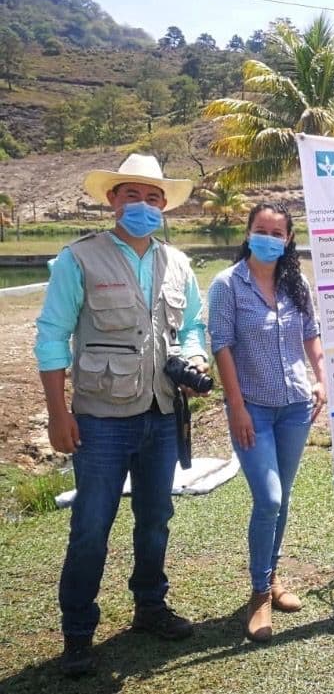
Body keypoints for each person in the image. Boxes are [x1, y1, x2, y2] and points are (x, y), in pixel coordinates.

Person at [34, 154, 207, 677]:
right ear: (112, 200)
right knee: (91, 526)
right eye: (134, 195)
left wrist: (194, 357)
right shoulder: (79, 259)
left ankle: (150, 607)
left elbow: (194, 325)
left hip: (160, 414)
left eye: (154, 198)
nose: (145, 206)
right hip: (101, 418)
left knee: (155, 520)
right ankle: (78, 633)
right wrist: (57, 414)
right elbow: (51, 335)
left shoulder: (177, 262)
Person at [207, 202, 327, 643]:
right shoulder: (227, 285)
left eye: (278, 233)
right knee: (270, 498)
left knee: (285, 495)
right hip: (252, 407)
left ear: (289, 239)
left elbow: (311, 334)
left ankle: (272, 578)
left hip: (295, 405)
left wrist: (321, 379)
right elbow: (221, 346)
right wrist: (236, 406)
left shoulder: (297, 284)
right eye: (262, 230)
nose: (269, 238)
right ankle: (259, 594)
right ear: (248, 231)